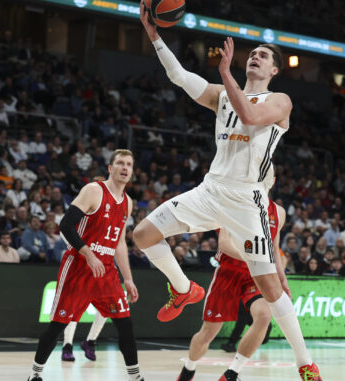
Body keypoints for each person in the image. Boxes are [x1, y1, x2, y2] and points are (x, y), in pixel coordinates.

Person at [133, 5, 321, 380]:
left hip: (247, 200)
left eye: (263, 56)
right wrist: (154, 35)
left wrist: (224, 74)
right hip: (210, 189)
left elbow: (250, 117)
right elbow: (178, 76)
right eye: (252, 53)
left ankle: (305, 363)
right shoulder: (221, 95)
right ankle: (185, 288)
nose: (255, 57)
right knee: (142, 235)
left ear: (274, 71)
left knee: (270, 290)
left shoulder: (280, 101)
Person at [28, 150, 143, 381]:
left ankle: (135, 377)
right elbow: (66, 225)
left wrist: (128, 278)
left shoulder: (128, 203)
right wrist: (89, 254)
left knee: (125, 324)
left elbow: (119, 242)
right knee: (58, 325)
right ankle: (35, 374)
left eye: (129, 164)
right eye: (120, 163)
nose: (125, 167)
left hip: (107, 271)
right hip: (79, 266)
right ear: (110, 168)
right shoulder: (94, 190)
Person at [179, 198, 288, 381]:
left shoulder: (278, 212)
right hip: (228, 273)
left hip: (255, 275)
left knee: (263, 316)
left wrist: (281, 277)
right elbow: (224, 243)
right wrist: (252, 258)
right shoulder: (234, 202)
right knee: (208, 332)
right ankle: (189, 369)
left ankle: (232, 373)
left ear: (272, 179)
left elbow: (274, 249)